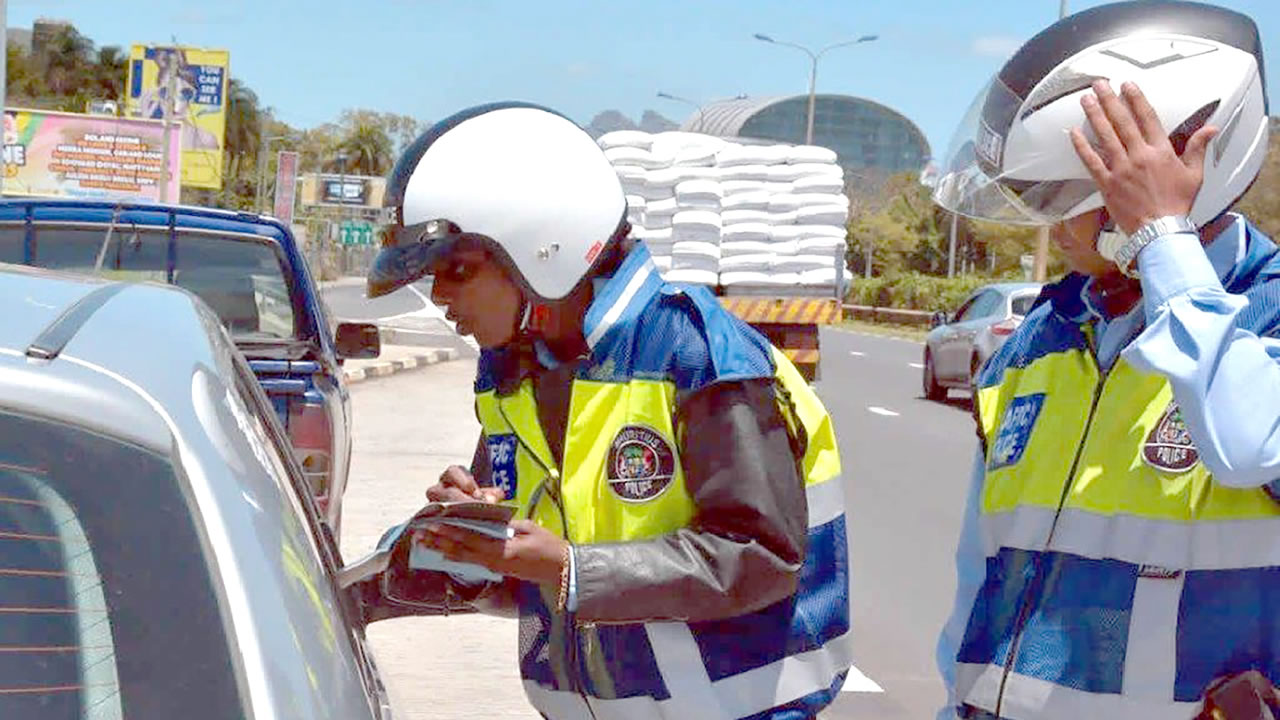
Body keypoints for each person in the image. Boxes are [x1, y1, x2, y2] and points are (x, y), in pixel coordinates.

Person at [365, 102, 851, 720]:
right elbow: (526, 563)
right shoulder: (511, 372)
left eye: (456, 270)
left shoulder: (698, 356)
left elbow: (763, 555)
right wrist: (469, 533)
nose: (440, 296)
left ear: (541, 248)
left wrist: (570, 568)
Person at [931, 2, 1280, 718]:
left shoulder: (1264, 314)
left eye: (1068, 196)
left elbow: (1252, 443)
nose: (1053, 226)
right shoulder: (1044, 334)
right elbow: (981, 571)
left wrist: (1163, 239)